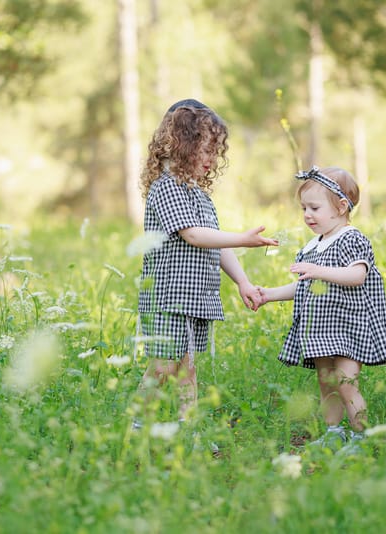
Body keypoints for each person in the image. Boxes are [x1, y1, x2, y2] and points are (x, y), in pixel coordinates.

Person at [135, 98, 278, 427]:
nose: (213, 160)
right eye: (207, 150)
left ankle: (191, 432)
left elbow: (216, 241)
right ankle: (137, 428)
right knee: (163, 367)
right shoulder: (166, 188)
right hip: (168, 297)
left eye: (216, 153)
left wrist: (242, 281)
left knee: (186, 366)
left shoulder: (197, 192)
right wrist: (242, 238)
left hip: (194, 296)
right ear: (183, 146)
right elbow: (195, 236)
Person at [256, 165, 386, 452]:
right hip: (320, 329)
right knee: (326, 383)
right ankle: (334, 432)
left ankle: (361, 436)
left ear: (341, 207)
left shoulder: (351, 238)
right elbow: (305, 285)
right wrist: (269, 295)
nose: (307, 215)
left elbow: (357, 276)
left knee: (346, 383)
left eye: (315, 208)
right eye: (304, 208)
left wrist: (318, 270)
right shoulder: (313, 246)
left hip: (347, 327)